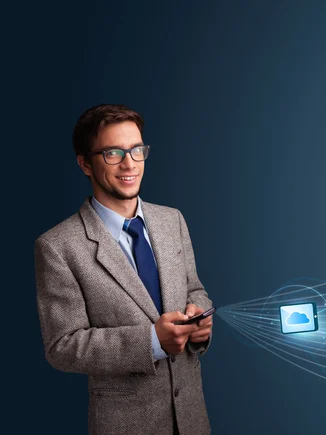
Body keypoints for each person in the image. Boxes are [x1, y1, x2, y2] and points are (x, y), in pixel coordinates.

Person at [34, 104, 213, 435]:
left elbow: (193, 289)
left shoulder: (172, 220)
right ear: (85, 163)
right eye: (113, 153)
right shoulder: (58, 246)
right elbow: (62, 346)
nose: (129, 163)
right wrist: (151, 341)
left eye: (136, 150)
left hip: (192, 420)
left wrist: (199, 316)